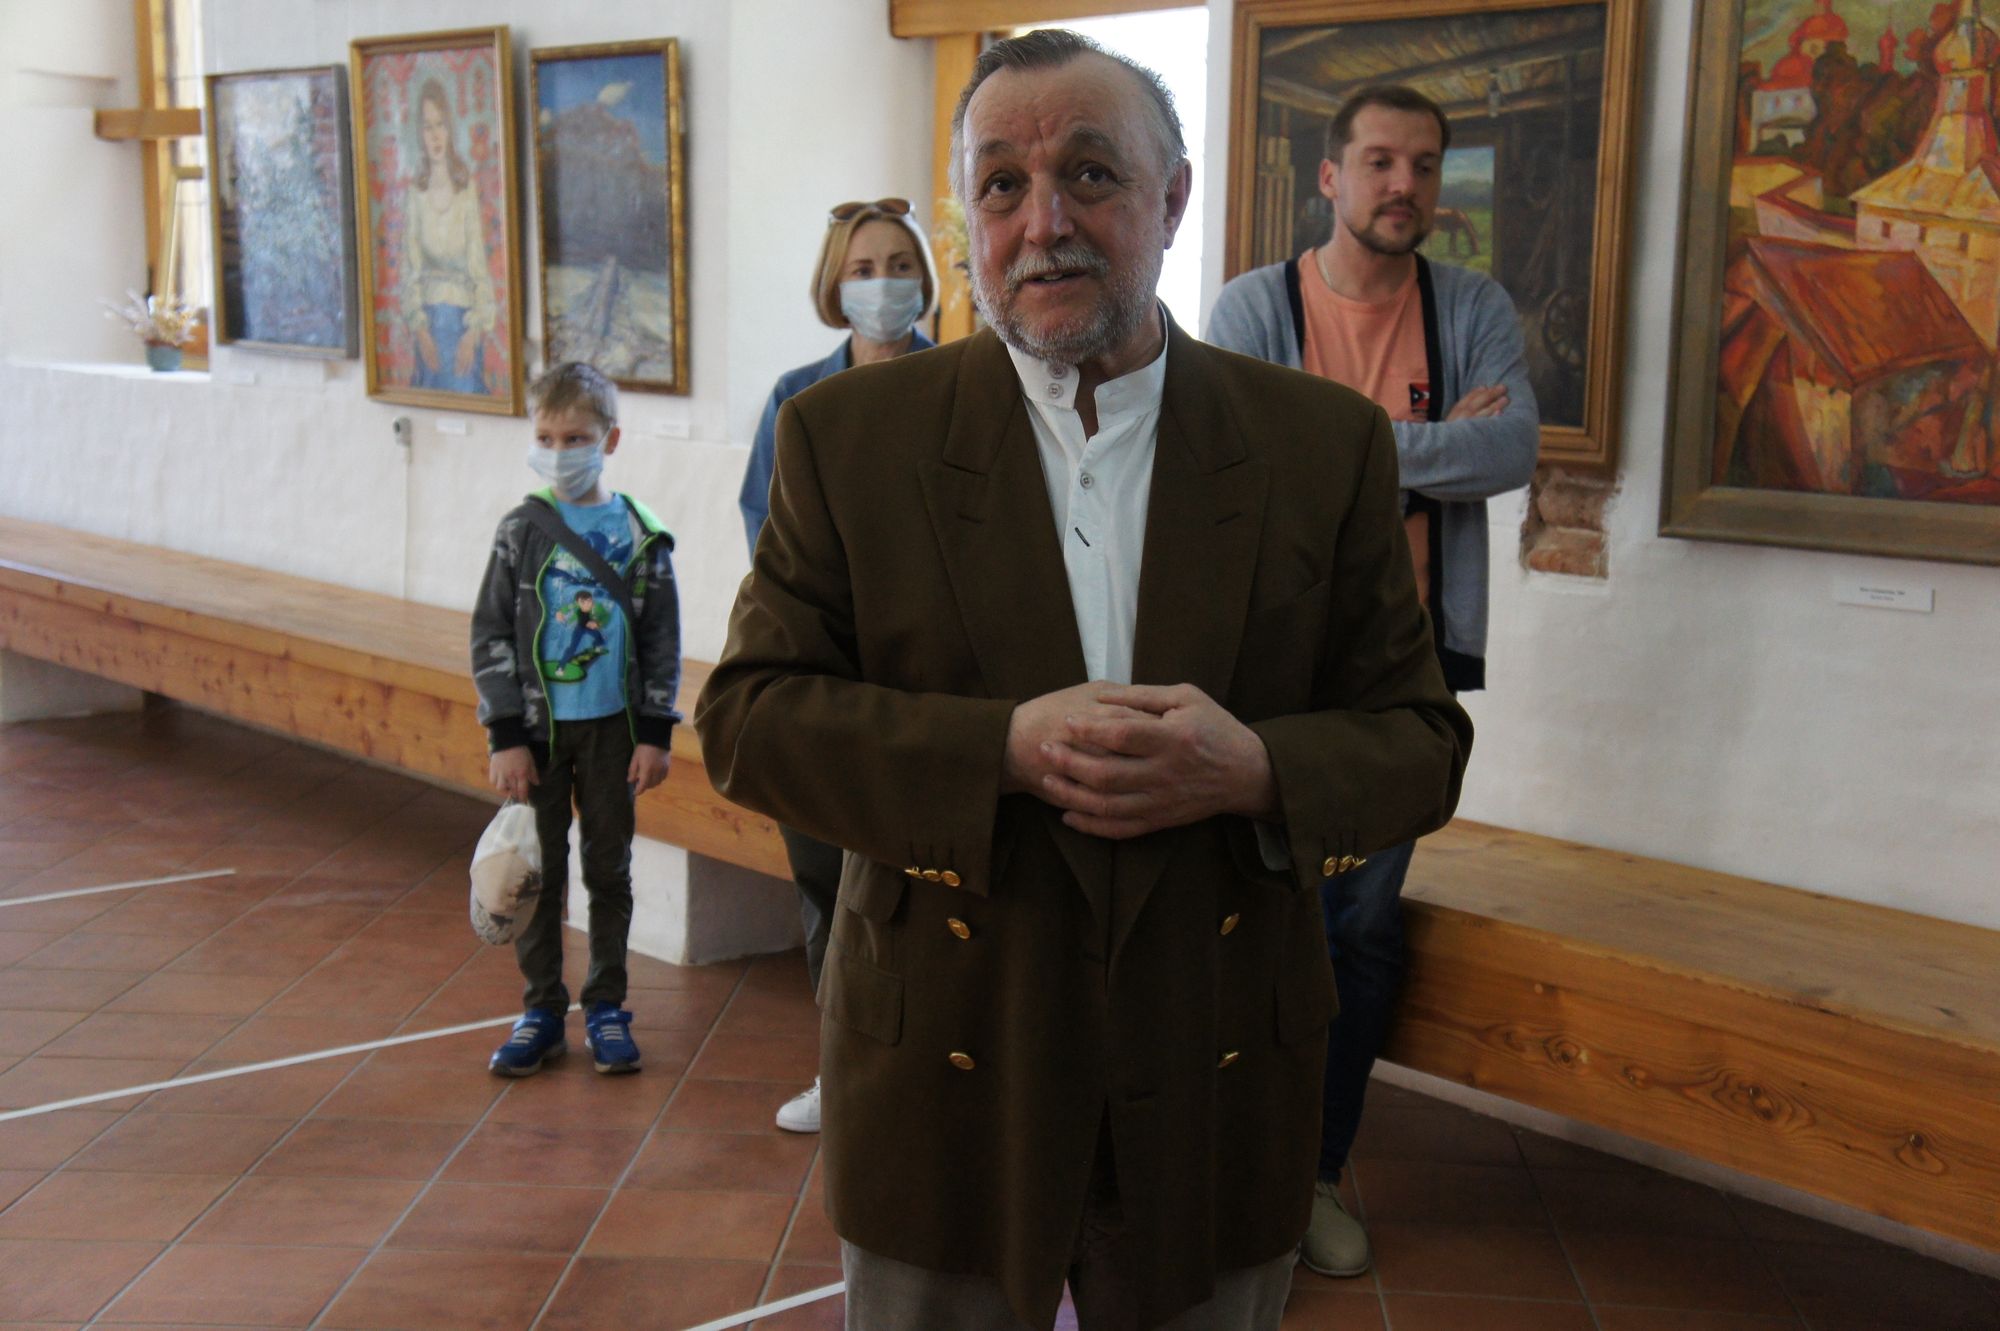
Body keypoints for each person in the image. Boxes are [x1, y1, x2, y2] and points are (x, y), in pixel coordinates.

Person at [697, 31, 1471, 1331]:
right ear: (968, 219)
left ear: (1172, 200)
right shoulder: (850, 439)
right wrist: (1000, 748)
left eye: (1091, 174)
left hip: (1215, 1058)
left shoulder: (1316, 444)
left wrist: (1257, 768)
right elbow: (748, 719)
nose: (1043, 223)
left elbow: (1420, 740)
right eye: (1002, 185)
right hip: (950, 1065)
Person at [1205, 85, 1539, 1279]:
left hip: (1407, 672)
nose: (1404, 185)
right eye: (1381, 161)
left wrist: (1335, 439)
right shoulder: (1254, 307)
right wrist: (1417, 447)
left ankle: (1311, 1170)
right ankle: (1223, 1164)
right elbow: (1240, 462)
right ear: (1330, 178)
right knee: (1250, 913)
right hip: (1270, 669)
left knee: (1357, 925)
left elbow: (1510, 447)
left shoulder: (1471, 306)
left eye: (1425, 165)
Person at [739, 196, 938, 1134]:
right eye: (863, 269)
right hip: (824, 676)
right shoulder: (797, 395)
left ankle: (939, 1080)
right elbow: (766, 528)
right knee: (827, 886)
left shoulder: (962, 381)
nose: (882, 284)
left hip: (931, 684)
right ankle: (844, 1072)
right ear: (834, 284)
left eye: (898, 265)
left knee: (930, 895)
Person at [471, 361, 681, 1077]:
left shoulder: (642, 536)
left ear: (609, 439)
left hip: (614, 733)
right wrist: (505, 734)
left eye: (576, 438)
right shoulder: (520, 531)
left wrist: (655, 732)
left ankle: (607, 1006)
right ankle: (540, 1010)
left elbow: (661, 640)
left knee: (608, 871)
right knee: (538, 872)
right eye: (547, 437)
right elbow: (490, 634)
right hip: (537, 736)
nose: (560, 452)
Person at [403, 78, 496, 395]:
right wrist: (421, 333)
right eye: (427, 126)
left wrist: (473, 334)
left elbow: (478, 268)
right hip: (429, 325)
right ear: (420, 133)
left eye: (440, 124)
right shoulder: (415, 195)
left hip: (463, 323)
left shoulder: (465, 190)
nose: (435, 135)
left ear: (450, 128)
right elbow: (410, 270)